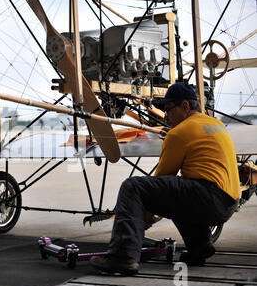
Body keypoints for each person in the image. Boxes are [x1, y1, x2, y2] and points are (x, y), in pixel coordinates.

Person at [90, 82, 240, 275]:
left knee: (133, 187)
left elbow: (161, 179)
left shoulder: (179, 133)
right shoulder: (215, 124)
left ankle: (122, 256)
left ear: (185, 106)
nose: (166, 116)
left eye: (169, 109)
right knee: (179, 192)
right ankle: (200, 245)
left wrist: (142, 218)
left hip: (208, 198)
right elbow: (171, 190)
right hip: (228, 203)